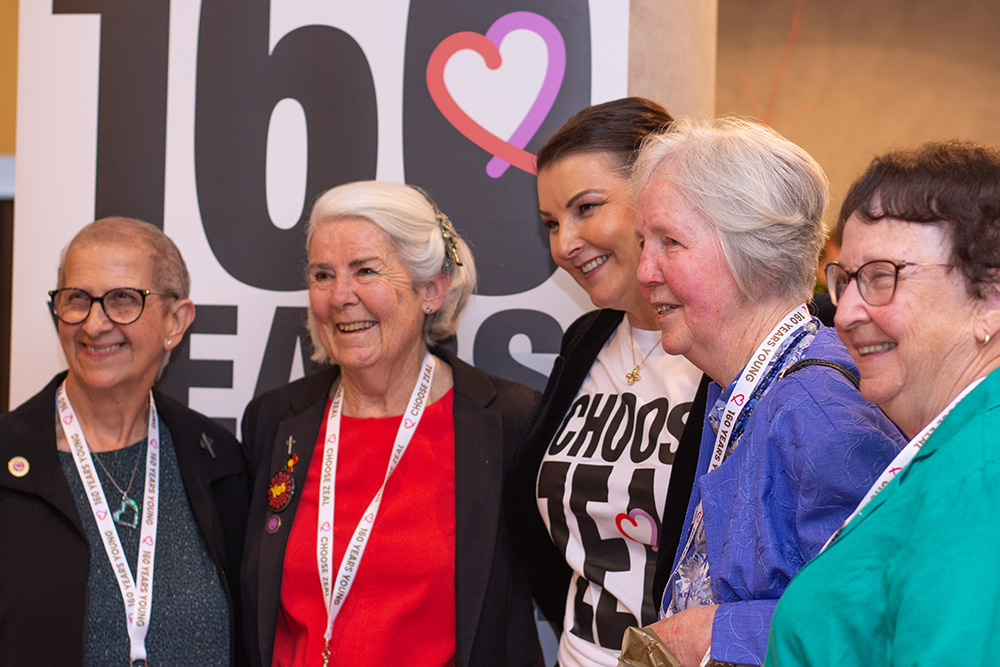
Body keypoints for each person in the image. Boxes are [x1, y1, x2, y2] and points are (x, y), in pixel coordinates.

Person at [632, 117, 907, 666]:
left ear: (753, 256)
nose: (643, 270)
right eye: (643, 243)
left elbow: (883, 623)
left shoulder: (819, 412)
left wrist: (715, 634)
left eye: (670, 243)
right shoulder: (733, 389)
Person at [240, 180, 543, 667]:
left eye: (365, 271)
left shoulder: (509, 422)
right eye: (322, 275)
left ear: (431, 289)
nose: (340, 296)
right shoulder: (274, 422)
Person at [766, 141, 1000, 665]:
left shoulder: (985, 473)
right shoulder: (961, 440)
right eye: (845, 280)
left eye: (881, 277)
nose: (845, 312)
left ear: (990, 299)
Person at [506, 97, 704, 667]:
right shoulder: (585, 340)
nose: (564, 243)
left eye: (586, 208)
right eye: (551, 223)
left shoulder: (728, 352)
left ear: (658, 200)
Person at [0, 217, 249, 665]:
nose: (94, 325)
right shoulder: (6, 464)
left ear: (176, 321)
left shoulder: (218, 462)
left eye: (122, 300)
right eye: (77, 299)